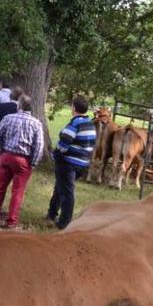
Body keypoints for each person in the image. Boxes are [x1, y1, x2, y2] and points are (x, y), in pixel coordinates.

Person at [0, 94, 44, 229]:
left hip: (6, 155)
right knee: (17, 191)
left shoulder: (8, 118)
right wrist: (34, 162)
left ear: (18, 106)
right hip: (23, 159)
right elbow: (39, 145)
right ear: (31, 108)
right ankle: (11, 221)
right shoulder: (36, 123)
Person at [47, 96, 96, 229]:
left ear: (74, 108)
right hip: (83, 163)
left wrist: (55, 154)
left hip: (68, 163)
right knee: (59, 187)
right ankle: (51, 213)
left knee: (67, 193)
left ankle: (64, 223)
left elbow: (64, 142)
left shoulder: (75, 123)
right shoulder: (90, 124)